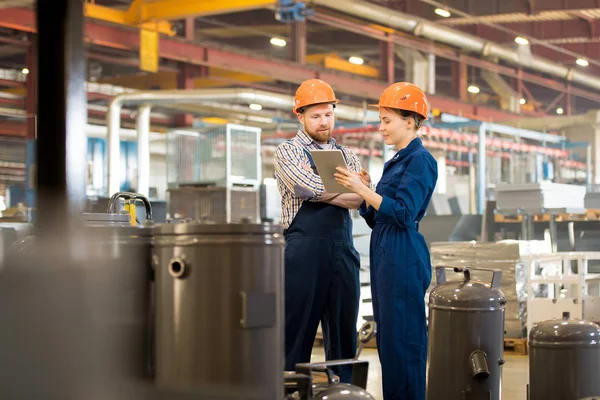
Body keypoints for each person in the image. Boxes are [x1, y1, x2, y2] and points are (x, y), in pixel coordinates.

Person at [333, 82, 438, 400]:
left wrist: (363, 190)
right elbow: (378, 216)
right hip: (385, 250)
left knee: (405, 342)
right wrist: (367, 192)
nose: (381, 128)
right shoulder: (397, 161)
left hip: (403, 254)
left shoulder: (420, 160)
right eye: (381, 120)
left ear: (410, 121)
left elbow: (404, 213)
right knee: (390, 342)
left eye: (387, 120)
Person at [273, 78, 364, 382]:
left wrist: (343, 191)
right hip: (303, 252)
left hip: (343, 250)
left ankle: (343, 389)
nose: (323, 122)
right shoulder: (288, 151)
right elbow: (302, 186)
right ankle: (290, 388)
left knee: (343, 330)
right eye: (315, 116)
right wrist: (347, 191)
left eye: (328, 114)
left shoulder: (348, 154)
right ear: (300, 116)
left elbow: (363, 195)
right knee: (295, 328)